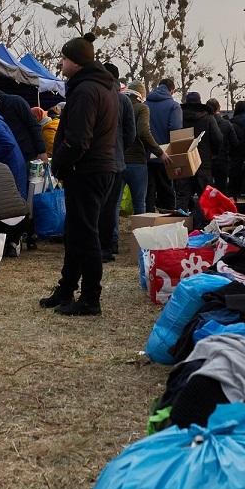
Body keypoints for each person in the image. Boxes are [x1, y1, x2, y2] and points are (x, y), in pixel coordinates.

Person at [39, 34, 119, 317]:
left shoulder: (86, 91)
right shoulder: (103, 88)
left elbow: (78, 140)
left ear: (75, 61)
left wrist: (59, 164)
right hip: (97, 167)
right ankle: (66, 288)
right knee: (75, 232)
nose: (60, 63)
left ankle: (90, 298)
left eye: (63, 58)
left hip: (87, 169)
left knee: (85, 234)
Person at [0, 79, 44, 178]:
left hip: (28, 155)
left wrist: (41, 151)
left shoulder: (15, 101)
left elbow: (33, 125)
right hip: (10, 161)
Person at [98, 63, 132, 261]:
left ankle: (100, 245)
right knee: (111, 207)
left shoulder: (97, 97)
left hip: (98, 162)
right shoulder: (123, 101)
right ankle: (108, 246)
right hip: (117, 162)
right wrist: (120, 149)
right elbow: (131, 133)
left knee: (99, 207)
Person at [174, 91, 225, 213]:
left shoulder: (179, 117)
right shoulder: (208, 118)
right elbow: (218, 138)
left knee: (183, 195)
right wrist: (214, 153)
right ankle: (203, 224)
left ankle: (180, 224)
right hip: (203, 162)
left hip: (184, 162)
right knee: (205, 195)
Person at [123, 84, 161, 216]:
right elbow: (143, 131)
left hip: (118, 161)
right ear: (140, 95)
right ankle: (139, 233)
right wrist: (160, 152)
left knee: (113, 203)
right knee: (139, 203)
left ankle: (112, 236)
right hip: (137, 161)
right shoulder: (142, 108)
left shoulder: (118, 106)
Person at [144, 77, 181, 210]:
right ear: (172, 90)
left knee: (148, 193)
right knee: (166, 192)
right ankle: (167, 220)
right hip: (165, 157)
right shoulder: (174, 106)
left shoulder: (145, 103)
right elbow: (175, 129)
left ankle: (146, 221)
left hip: (146, 155)